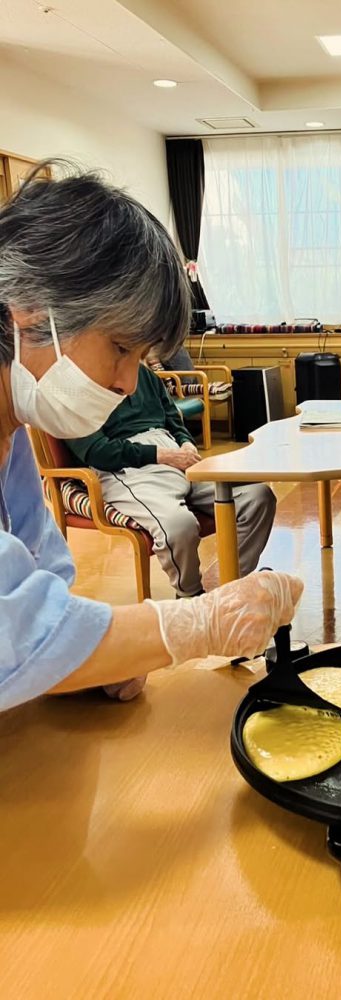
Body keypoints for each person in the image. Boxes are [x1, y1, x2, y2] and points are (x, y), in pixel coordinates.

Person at [0, 163, 302, 712]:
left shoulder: (12, 439)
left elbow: (41, 587)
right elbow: (11, 633)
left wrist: (90, 655)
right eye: (120, 348)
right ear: (29, 310)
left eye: (140, 357)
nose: (126, 382)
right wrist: (188, 625)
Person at [66, 362, 276, 598]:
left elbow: (173, 419)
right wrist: (161, 455)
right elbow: (98, 452)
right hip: (126, 467)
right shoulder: (72, 387)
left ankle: (229, 587)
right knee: (178, 526)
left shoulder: (143, 373)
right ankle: (190, 597)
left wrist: (186, 443)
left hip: (174, 452)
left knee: (258, 497)